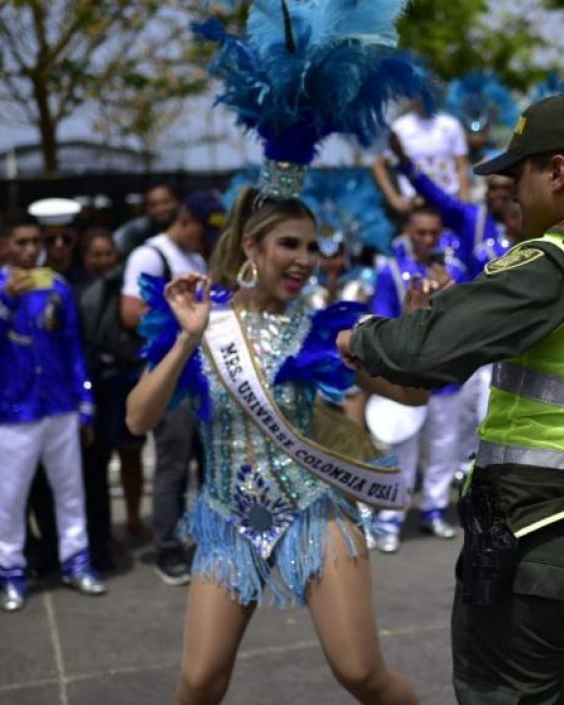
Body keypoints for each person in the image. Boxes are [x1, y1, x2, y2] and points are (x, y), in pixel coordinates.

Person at [340, 95, 564, 704]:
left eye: (520, 174)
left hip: (544, 544)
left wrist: (359, 336)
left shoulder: (561, 259)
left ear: (558, 172)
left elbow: (425, 353)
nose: (512, 191)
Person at [125, 189, 424, 705]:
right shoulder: (203, 322)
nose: (305, 260)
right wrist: (186, 338)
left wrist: (419, 332)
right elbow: (137, 418)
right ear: (251, 247)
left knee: (361, 673)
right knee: (199, 684)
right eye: (290, 244)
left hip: (314, 511)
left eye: (312, 247)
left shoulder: (321, 331)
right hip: (228, 513)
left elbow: (412, 393)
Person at [0, 214, 106, 612]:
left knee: (70, 491)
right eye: (21, 242)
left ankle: (77, 563)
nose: (29, 249)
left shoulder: (56, 286)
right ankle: (11, 572)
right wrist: (8, 298)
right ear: (5, 244)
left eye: (35, 241)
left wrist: (86, 403)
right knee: (9, 498)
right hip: (13, 410)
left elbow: (73, 348)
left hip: (59, 405)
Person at [120, 201, 216, 585]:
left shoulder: (194, 255)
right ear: (186, 219)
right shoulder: (150, 254)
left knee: (208, 462)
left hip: (204, 376)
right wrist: (176, 315)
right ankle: (169, 548)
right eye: (201, 227)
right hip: (171, 375)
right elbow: (129, 313)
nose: (204, 236)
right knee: (172, 464)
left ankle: (206, 537)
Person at [369, 205, 469, 553]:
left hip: (445, 380)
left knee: (444, 448)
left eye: (433, 233)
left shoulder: (455, 270)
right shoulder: (391, 272)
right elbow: (381, 321)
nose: (428, 239)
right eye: (421, 233)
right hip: (406, 381)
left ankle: (434, 509)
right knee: (402, 452)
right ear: (408, 232)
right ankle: (390, 518)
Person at [77, 226, 142, 571]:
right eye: (96, 254)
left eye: (108, 254)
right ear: (85, 259)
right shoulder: (79, 292)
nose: (103, 260)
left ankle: (133, 517)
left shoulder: (126, 287)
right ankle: (100, 534)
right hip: (96, 385)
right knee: (97, 463)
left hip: (126, 378)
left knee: (131, 450)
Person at [387, 132, 518, 277]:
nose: (500, 193)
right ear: (486, 191)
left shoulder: (528, 218)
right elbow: (435, 195)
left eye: (505, 188)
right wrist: (405, 162)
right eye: (494, 188)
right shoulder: (472, 217)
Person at [372, 101, 471, 214]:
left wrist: (464, 197)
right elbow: (379, 164)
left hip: (450, 199)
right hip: (416, 203)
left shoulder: (451, 125)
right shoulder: (399, 127)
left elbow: (462, 164)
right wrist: (393, 198)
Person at [114, 183, 183, 257]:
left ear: (177, 202)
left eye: (165, 202)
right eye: (154, 205)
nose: (160, 209)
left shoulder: (190, 226)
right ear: (146, 209)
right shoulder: (137, 230)